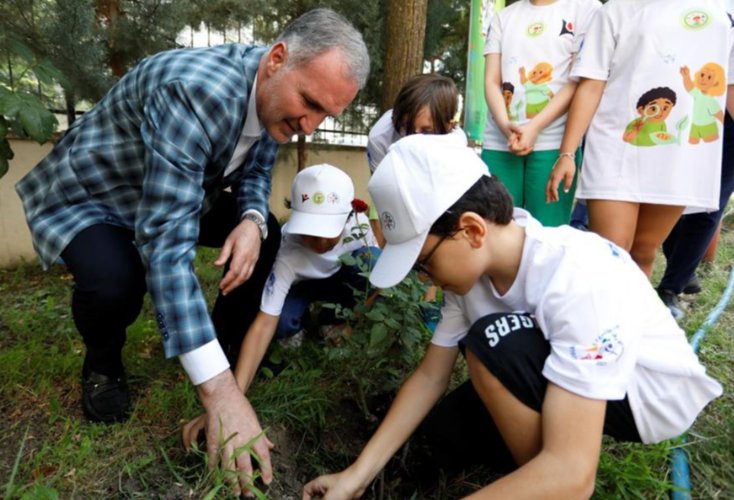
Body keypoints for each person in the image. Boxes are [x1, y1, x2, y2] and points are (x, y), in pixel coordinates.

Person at [15, 8, 369, 495]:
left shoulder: (274, 99)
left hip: (173, 188)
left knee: (264, 235)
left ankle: (221, 353)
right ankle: (103, 361)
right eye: (308, 103)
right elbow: (167, 241)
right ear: (277, 59)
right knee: (115, 281)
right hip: (95, 196)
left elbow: (257, 166)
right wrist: (220, 396)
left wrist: (249, 218)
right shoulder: (196, 92)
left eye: (326, 114)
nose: (309, 125)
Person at [302, 134, 722, 499]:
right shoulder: (472, 281)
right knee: (446, 430)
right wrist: (355, 477)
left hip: (646, 395)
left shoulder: (573, 272)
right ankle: (535, 476)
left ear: (472, 230)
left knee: (490, 341)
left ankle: (544, 479)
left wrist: (565, 476)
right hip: (563, 363)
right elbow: (431, 376)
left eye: (423, 262)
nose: (424, 277)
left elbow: (577, 477)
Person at [182, 164, 379, 439]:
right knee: (283, 323)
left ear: (348, 217)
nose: (319, 242)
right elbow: (263, 324)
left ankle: (331, 319)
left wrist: (351, 326)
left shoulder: (359, 229)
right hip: (302, 287)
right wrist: (232, 399)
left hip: (340, 281)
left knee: (371, 261)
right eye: (311, 231)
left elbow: (376, 283)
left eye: (327, 232)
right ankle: (299, 324)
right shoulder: (289, 251)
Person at [548, 0, 734, 278]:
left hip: (680, 152)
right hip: (616, 144)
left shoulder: (723, 10)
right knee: (613, 253)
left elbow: (729, 82)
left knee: (644, 252)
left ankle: (632, 321)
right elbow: (591, 83)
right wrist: (566, 153)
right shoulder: (616, 9)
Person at [482, 0, 600, 227]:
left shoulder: (586, 9)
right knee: (495, 226)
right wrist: (506, 127)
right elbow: (491, 81)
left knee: (547, 233)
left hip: (554, 143)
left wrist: (534, 127)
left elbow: (577, 80)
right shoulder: (503, 17)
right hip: (500, 142)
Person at [366, 73, 466, 247]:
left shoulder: (455, 143)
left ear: (448, 126)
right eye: (406, 127)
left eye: (426, 131)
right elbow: (383, 192)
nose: (413, 138)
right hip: (393, 186)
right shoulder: (380, 137)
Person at [658, 112, 734, 320]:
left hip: (725, 127)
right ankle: (681, 266)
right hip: (695, 112)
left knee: (710, 206)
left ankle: (671, 288)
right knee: (671, 196)